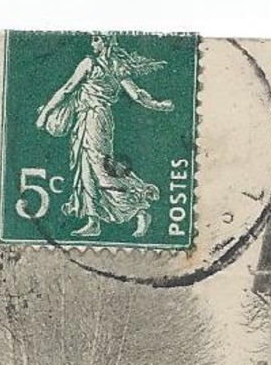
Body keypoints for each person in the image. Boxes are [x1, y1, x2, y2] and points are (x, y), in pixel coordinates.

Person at [35, 33, 175, 238]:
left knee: (99, 168)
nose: (93, 43)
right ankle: (93, 221)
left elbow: (66, 90)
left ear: (106, 41)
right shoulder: (116, 65)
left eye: (96, 39)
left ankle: (139, 206)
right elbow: (137, 95)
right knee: (86, 168)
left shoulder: (89, 63)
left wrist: (45, 114)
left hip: (94, 119)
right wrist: (158, 105)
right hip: (94, 119)